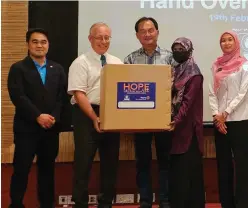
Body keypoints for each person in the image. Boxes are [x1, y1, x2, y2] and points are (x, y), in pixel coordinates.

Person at [7, 28, 66, 208]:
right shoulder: (18, 68)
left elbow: (62, 97)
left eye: (43, 42)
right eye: (35, 41)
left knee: (47, 170)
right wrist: (38, 116)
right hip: (27, 129)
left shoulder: (57, 68)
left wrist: (53, 117)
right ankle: (16, 204)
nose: (39, 45)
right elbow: (18, 97)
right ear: (28, 44)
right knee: (21, 169)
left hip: (50, 129)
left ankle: (47, 204)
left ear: (48, 45)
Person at [68, 22, 123, 208]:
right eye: (99, 37)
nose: (104, 41)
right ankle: (80, 203)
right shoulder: (80, 62)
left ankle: (106, 203)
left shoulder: (117, 62)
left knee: (110, 163)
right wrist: (94, 118)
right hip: (86, 114)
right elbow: (79, 93)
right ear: (90, 39)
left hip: (112, 113)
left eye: (107, 37)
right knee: (83, 163)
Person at [124, 17, 173, 208]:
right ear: (137, 35)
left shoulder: (170, 57)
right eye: (143, 31)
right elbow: (125, 88)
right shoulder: (130, 59)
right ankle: (145, 200)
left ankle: (165, 200)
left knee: (165, 161)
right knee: (142, 161)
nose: (147, 34)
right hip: (140, 118)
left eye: (150, 30)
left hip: (164, 118)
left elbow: (178, 87)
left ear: (157, 32)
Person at [209, 31, 248, 208]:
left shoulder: (245, 65)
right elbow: (212, 92)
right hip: (220, 122)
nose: (226, 43)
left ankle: (242, 204)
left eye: (229, 40)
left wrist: (225, 112)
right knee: (224, 166)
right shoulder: (216, 65)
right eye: (223, 41)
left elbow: (243, 92)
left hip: (239, 120)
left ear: (236, 42)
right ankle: (226, 204)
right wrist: (216, 115)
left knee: (242, 167)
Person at [168, 37, 205, 208]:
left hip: (188, 131)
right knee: (177, 174)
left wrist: (176, 120)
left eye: (181, 48)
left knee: (188, 173)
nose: (177, 52)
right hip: (175, 130)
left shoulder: (194, 74)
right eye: (174, 49)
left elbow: (188, 103)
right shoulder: (175, 71)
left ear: (189, 51)